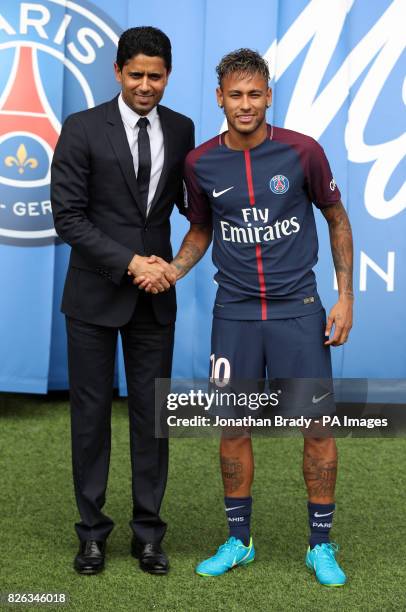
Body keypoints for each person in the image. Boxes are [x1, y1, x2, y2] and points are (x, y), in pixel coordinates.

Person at [138, 48, 353, 587]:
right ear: (220, 98)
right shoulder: (201, 162)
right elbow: (201, 230)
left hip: (297, 312)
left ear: (268, 96)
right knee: (233, 428)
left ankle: (320, 547)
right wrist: (175, 270)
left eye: (255, 94)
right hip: (233, 313)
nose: (245, 104)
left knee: (317, 427)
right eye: (235, 95)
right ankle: (239, 540)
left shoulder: (303, 152)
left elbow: (336, 217)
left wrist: (345, 295)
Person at [51, 26, 194, 576]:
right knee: (89, 418)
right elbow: (69, 217)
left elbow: (190, 207)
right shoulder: (83, 127)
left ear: (167, 76)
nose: (144, 85)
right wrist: (129, 262)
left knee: (152, 419)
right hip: (92, 296)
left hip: (155, 300)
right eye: (135, 74)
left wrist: (171, 267)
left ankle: (148, 535)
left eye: (155, 76)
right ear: (117, 72)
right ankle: (91, 534)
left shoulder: (182, 130)